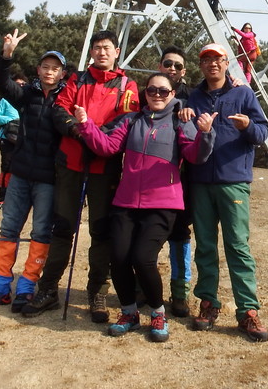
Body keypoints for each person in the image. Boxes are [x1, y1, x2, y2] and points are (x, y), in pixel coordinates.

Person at [72, 73, 215, 342]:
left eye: (163, 91)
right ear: (145, 93)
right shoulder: (132, 120)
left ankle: (158, 312)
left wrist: (205, 134)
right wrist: (86, 125)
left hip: (163, 204)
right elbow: (108, 147)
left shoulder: (180, 121)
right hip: (126, 202)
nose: (157, 95)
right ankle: (129, 312)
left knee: (143, 258)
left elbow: (195, 155)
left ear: (173, 94)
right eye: (152, 90)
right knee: (119, 257)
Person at [22, 30, 139, 322]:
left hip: (104, 167)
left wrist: (96, 138)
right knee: (62, 228)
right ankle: (48, 289)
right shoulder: (77, 79)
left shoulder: (127, 85)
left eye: (107, 48)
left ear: (116, 53)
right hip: (71, 165)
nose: (102, 53)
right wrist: (78, 130)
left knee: (101, 232)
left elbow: (126, 120)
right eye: (97, 48)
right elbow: (60, 110)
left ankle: (97, 292)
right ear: (93, 52)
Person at [0, 30, 67, 313]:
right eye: (46, 67)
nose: (50, 72)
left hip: (48, 179)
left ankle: (26, 287)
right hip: (21, 175)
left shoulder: (67, 100)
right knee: (9, 229)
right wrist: (6, 56)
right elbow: (2, 83)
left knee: (40, 232)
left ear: (62, 73)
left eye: (55, 68)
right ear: (38, 70)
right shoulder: (27, 95)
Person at [186, 43, 268, 342]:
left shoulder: (243, 94)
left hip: (233, 181)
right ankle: (208, 302)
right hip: (200, 182)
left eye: (217, 59)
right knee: (205, 246)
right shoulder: (193, 97)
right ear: (200, 66)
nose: (212, 64)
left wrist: (248, 125)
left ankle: (247, 311)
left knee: (237, 246)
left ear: (226, 63)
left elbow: (262, 133)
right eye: (206, 60)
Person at [138, 46, 194, 318]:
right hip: (148, 182)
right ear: (160, 66)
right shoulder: (145, 97)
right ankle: (142, 287)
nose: (172, 68)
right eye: (167, 63)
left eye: (177, 66)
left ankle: (180, 292)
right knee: (145, 236)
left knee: (180, 237)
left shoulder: (193, 99)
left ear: (183, 72)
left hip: (181, 183)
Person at [0, 73, 26, 208]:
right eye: (17, 84)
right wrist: (11, 121)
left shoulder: (27, 100)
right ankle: (3, 197)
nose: (20, 86)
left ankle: (19, 196)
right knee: (7, 167)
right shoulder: (5, 100)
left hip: (24, 139)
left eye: (23, 84)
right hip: (7, 139)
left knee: (21, 168)